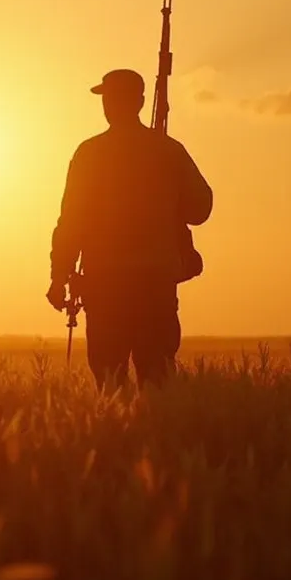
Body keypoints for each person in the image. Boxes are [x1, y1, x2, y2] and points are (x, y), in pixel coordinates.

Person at [47, 68, 213, 389]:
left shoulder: (89, 153)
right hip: (155, 283)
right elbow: (200, 209)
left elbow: (70, 222)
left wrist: (58, 277)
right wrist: (167, 200)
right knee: (158, 379)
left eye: (109, 98)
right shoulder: (169, 150)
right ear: (140, 102)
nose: (107, 105)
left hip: (105, 285)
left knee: (110, 382)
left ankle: (116, 424)